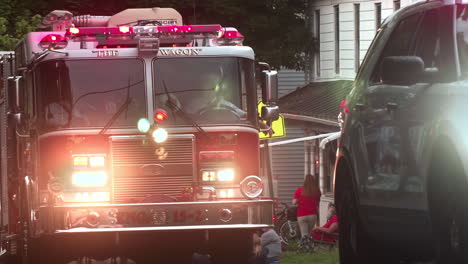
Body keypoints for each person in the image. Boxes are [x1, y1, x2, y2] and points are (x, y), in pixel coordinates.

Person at [292, 174, 321, 238]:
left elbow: (294, 202)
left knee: (304, 235)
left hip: (302, 215)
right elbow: (318, 201)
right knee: (309, 234)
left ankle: (305, 247)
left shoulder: (300, 190)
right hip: (312, 215)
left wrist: (300, 199)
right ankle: (309, 246)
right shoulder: (317, 190)